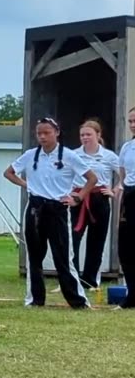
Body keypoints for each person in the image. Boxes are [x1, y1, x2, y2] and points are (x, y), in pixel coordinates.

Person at [4, 117, 101, 309]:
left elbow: (92, 178)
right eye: (39, 133)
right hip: (35, 207)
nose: (42, 137)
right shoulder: (31, 155)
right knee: (34, 255)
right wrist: (27, 185)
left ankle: (77, 301)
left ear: (56, 132)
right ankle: (35, 299)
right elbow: (8, 172)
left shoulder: (68, 155)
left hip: (57, 208)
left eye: (46, 132)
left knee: (63, 257)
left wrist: (78, 197)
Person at [70, 119, 121, 289]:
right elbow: (64, 175)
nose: (85, 138)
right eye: (82, 135)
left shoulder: (109, 156)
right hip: (78, 198)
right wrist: (68, 192)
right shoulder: (74, 154)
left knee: (96, 241)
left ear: (98, 135)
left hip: (99, 198)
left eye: (88, 134)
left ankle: (90, 279)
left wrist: (114, 190)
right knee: (73, 239)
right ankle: (72, 277)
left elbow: (125, 175)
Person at [117, 107, 135, 308]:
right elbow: (123, 175)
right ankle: (132, 293)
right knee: (127, 248)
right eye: (130, 121)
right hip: (130, 195)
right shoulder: (127, 147)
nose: (132, 125)